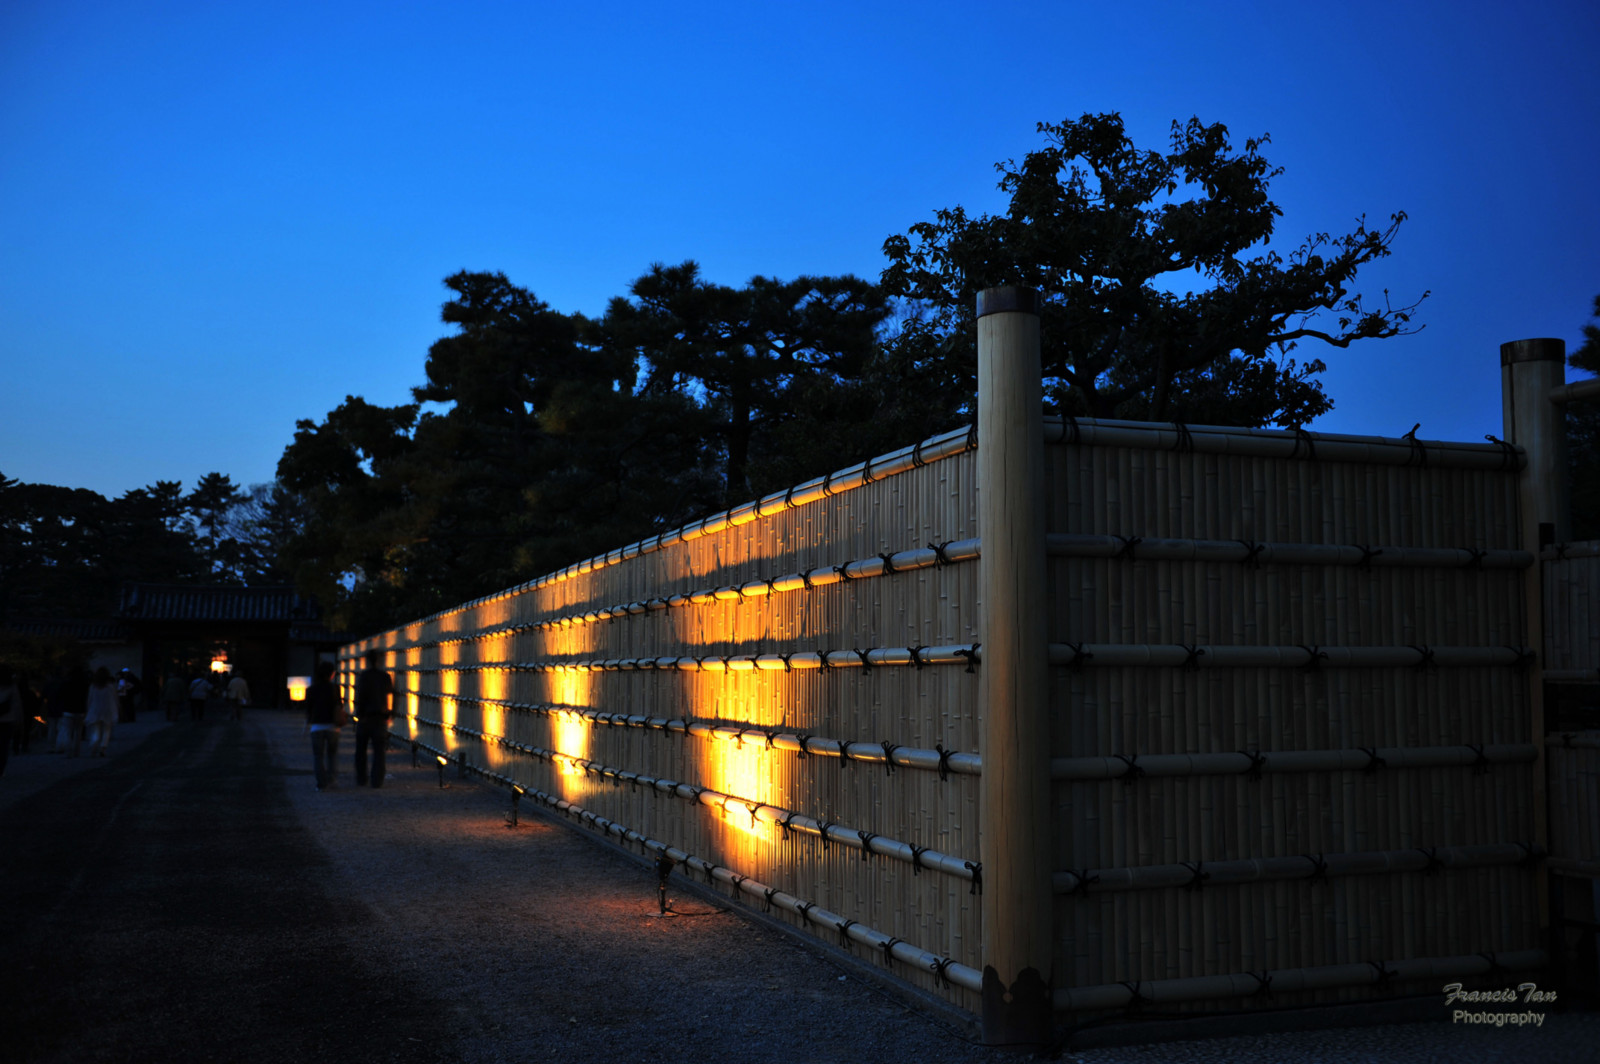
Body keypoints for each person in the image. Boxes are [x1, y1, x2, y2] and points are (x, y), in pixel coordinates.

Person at [352, 653, 394, 788]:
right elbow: (391, 696)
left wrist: (358, 714)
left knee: (361, 750)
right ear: (380, 660)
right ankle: (377, 780)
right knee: (379, 752)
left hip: (365, 717)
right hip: (380, 718)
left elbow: (359, 696)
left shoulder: (363, 676)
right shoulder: (385, 677)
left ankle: (361, 778)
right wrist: (390, 713)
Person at [304, 661, 343, 790]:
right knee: (332, 755)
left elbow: (308, 709)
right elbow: (340, 706)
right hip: (333, 726)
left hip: (316, 726)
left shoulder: (311, 689)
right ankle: (332, 780)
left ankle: (321, 784)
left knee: (318, 756)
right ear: (331, 674)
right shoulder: (335, 688)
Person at [85, 666, 118, 757]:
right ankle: (103, 747)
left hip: (95, 710)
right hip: (107, 710)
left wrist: (88, 710)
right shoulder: (110, 687)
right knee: (106, 730)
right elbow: (115, 699)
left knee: (95, 731)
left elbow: (89, 699)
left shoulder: (93, 687)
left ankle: (94, 746)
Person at [0, 667, 20, 776]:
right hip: (8, 719)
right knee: (4, 746)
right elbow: (16, 704)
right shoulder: (12, 687)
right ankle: (1, 769)